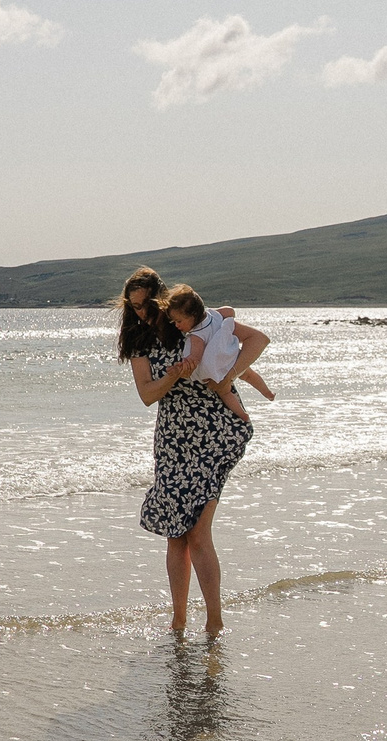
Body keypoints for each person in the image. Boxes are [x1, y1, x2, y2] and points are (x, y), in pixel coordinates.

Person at [117, 267, 270, 637]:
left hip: (213, 434)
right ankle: (179, 620)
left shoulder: (191, 321)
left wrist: (228, 376)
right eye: (133, 306)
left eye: (146, 304)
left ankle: (214, 621)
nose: (141, 313)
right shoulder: (138, 339)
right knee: (176, 533)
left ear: (161, 297)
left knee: (198, 532)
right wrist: (174, 374)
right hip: (173, 439)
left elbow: (255, 340)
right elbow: (148, 395)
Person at [161, 283, 274, 424]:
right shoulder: (214, 315)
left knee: (225, 392)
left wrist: (184, 365)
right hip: (231, 357)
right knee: (249, 374)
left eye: (179, 321)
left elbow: (195, 357)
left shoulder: (196, 335)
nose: (176, 325)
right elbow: (230, 311)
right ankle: (267, 392)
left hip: (217, 367)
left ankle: (243, 415)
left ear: (193, 315)